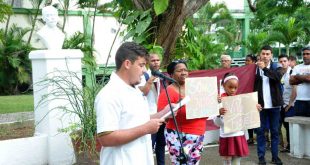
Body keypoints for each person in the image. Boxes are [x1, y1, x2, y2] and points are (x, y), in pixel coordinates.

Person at [95, 42, 171, 165]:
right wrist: (145, 129)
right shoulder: (108, 94)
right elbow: (106, 138)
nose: (144, 71)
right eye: (141, 65)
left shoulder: (134, 90)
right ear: (127, 64)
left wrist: (165, 113)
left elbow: (139, 120)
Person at [157, 60, 206, 165]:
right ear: (171, 75)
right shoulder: (168, 91)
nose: (183, 73)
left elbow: (205, 107)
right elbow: (161, 116)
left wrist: (214, 101)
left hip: (198, 133)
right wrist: (174, 110)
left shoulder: (196, 89)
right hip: (177, 135)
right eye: (179, 70)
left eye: (185, 70)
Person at [214, 73, 262, 165]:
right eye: (230, 87)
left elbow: (248, 116)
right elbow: (217, 123)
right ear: (223, 86)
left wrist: (256, 109)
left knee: (237, 161)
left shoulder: (241, 100)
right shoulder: (219, 102)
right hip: (226, 136)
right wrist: (218, 114)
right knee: (227, 160)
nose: (233, 90)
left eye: (235, 87)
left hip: (238, 135)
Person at [254, 45, 283, 165]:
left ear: (271, 55)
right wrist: (253, 102)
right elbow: (251, 86)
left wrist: (265, 68)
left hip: (275, 106)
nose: (265, 56)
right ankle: (261, 157)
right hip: (260, 107)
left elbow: (277, 77)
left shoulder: (277, 67)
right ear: (260, 55)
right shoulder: (254, 69)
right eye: (263, 54)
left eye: (267, 54)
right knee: (260, 132)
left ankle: (275, 157)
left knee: (275, 132)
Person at [137, 53, 166, 165]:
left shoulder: (163, 76)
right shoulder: (144, 75)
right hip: (150, 116)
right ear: (148, 62)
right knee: (150, 145)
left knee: (161, 144)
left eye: (158, 60)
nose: (156, 62)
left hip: (162, 115)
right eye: (153, 60)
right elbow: (143, 92)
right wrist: (150, 81)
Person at [278, 54, 296, 152]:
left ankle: (292, 147)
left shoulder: (292, 73)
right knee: (285, 126)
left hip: (291, 105)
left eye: (285, 61)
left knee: (290, 127)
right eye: (281, 61)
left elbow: (295, 90)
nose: (283, 63)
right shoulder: (282, 74)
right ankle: (288, 146)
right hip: (282, 104)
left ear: (288, 62)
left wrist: (290, 104)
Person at [289, 46, 310, 117]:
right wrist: (305, 78)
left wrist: (297, 76)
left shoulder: (297, 69)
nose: (305, 56)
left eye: (307, 54)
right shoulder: (297, 67)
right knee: (299, 125)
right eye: (303, 54)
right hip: (299, 101)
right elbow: (291, 81)